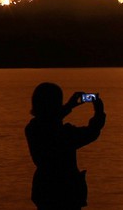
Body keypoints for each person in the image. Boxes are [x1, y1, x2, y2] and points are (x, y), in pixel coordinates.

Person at [25, 82, 106, 210]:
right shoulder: (64, 134)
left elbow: (47, 121)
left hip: (44, 190)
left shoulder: (32, 129)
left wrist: (69, 106)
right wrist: (99, 110)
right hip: (66, 193)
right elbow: (92, 132)